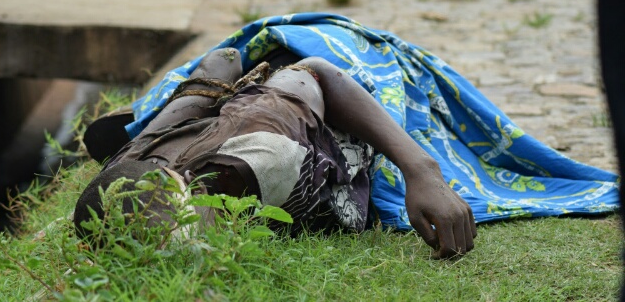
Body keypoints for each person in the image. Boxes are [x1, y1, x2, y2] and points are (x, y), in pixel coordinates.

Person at [75, 47, 476, 259]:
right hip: (239, 103)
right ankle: (165, 105)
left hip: (314, 71)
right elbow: (219, 65)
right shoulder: (124, 173)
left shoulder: (266, 152)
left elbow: (316, 69)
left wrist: (422, 170)